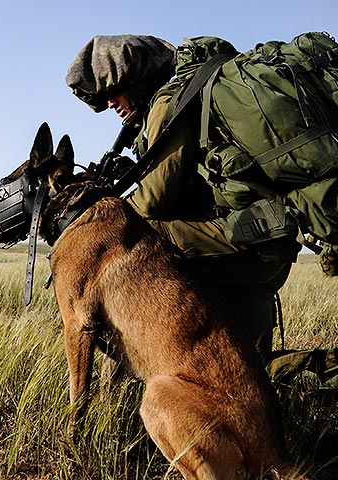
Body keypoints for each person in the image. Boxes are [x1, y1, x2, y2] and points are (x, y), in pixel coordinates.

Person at [66, 34, 301, 364]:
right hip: (259, 248)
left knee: (132, 234)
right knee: (252, 371)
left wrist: (103, 213)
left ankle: (140, 348)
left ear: (135, 79)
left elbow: (153, 202)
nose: (109, 103)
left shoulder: (167, 104)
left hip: (248, 247)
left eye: (112, 92)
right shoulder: (175, 104)